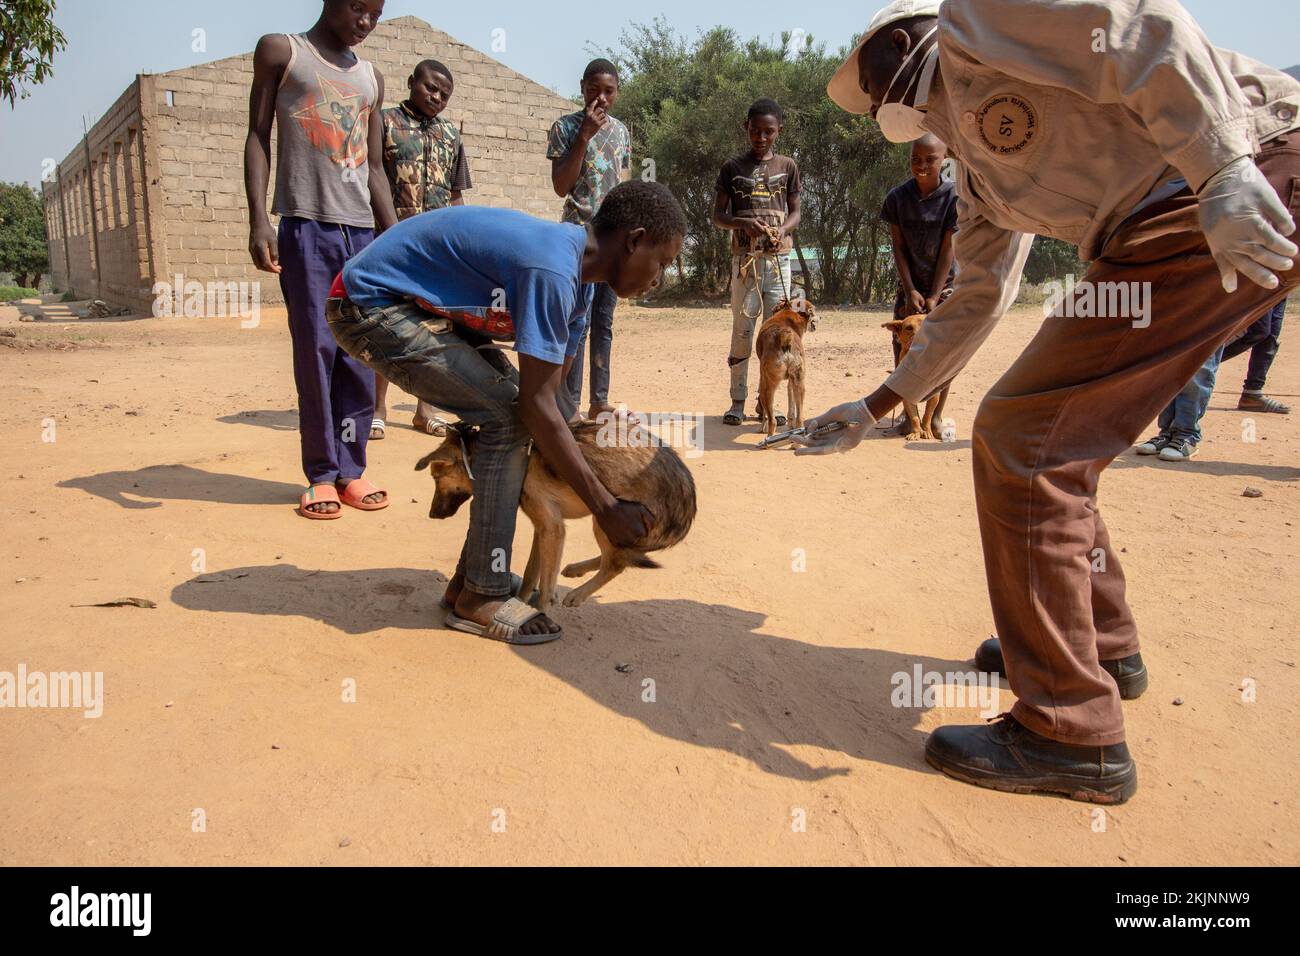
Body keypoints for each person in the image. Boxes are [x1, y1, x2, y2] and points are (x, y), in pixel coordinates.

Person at [799, 0, 1300, 803]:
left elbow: (1144, 25)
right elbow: (976, 298)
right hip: (1155, 233)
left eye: (870, 84)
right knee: (1050, 433)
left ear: (899, 39)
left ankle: (1069, 731)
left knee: (1023, 437)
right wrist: (875, 406)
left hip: (1234, 181)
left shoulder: (974, 19)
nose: (875, 108)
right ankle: (1099, 644)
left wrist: (1223, 170)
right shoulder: (979, 180)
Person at [327, 181, 686, 643]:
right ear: (634, 241)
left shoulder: (581, 288)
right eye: (663, 262)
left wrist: (602, 458)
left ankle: (471, 581)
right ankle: (481, 593)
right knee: (509, 418)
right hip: (368, 304)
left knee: (515, 413)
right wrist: (606, 507)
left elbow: (554, 399)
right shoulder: (552, 268)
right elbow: (535, 408)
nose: (658, 278)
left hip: (416, 312)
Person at [244, 0, 397, 519]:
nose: (366, 22)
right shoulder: (283, 53)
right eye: (358, 8)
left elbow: (374, 167)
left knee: (359, 351)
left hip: (362, 234)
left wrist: (395, 238)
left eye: (376, 14)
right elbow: (257, 136)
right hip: (306, 225)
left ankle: (352, 469)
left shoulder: (372, 78)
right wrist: (259, 220)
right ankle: (322, 474)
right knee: (316, 350)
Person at [376, 58, 474, 438]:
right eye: (430, 87)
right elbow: (371, 178)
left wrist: (462, 245)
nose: (436, 97)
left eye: (444, 95)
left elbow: (456, 194)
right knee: (385, 324)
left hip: (434, 252)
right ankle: (377, 408)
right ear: (411, 81)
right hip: (390, 244)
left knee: (432, 330)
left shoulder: (451, 134)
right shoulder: (384, 122)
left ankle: (425, 410)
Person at [547, 58, 633, 423]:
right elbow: (561, 186)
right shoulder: (565, 127)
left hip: (613, 242)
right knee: (576, 322)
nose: (601, 98)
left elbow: (623, 183)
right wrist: (583, 135)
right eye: (594, 90)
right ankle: (569, 404)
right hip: (577, 240)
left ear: (617, 93)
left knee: (604, 321)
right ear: (582, 88)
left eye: (609, 91)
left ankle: (599, 400)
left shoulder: (622, 132)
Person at [713, 98, 802, 426]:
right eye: (755, 130)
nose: (761, 137)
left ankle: (768, 403)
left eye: (768, 131)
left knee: (775, 333)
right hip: (745, 263)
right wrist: (743, 223)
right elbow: (718, 215)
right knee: (743, 330)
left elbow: (796, 212)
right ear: (746, 128)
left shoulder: (788, 166)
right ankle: (737, 400)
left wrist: (782, 230)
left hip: (778, 261)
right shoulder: (732, 168)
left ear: (779, 131)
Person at [1136, 298, 1288, 461]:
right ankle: (1167, 433)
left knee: (1199, 369)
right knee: (1173, 365)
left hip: (1218, 303)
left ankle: (1187, 435)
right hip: (1189, 301)